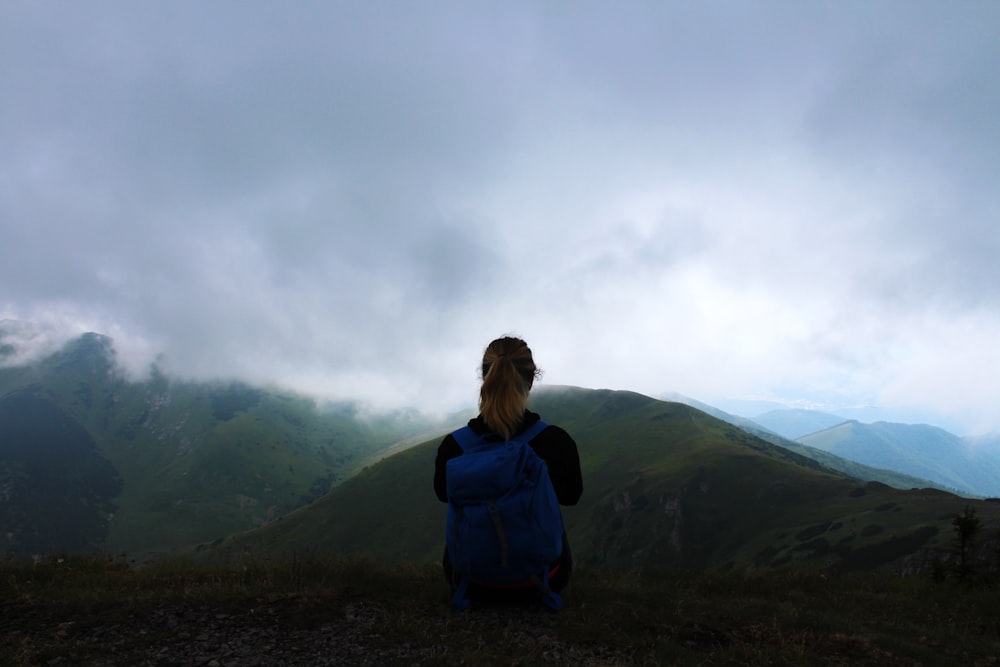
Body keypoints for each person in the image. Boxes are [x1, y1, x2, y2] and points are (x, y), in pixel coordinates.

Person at [433, 336, 583, 603]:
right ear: (531, 380)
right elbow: (571, 496)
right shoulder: (556, 441)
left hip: (468, 579)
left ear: (484, 377)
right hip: (543, 580)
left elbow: (443, 494)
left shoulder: (454, 446)